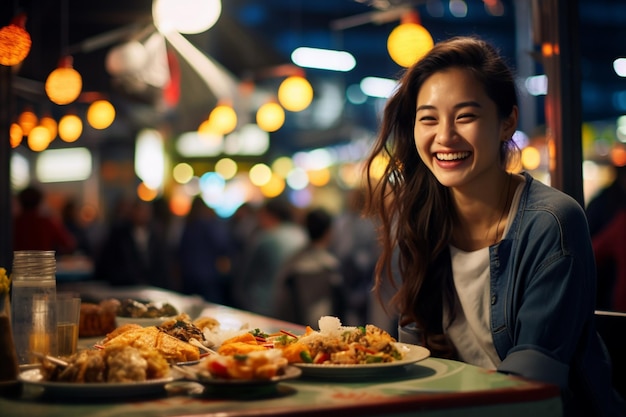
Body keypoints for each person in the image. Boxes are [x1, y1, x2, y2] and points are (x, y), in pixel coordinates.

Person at [362, 36, 624, 416]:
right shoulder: (421, 220)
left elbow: (531, 386)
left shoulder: (551, 222)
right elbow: (414, 360)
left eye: (465, 116)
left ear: (507, 122)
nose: (445, 136)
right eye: (428, 119)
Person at [231, 198, 308, 316]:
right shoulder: (302, 235)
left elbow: (245, 274)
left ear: (269, 215)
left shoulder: (266, 237)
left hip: (263, 304)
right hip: (293, 305)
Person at [273, 207, 344, 325]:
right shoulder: (330, 267)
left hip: (290, 329)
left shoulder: (292, 260)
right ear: (328, 232)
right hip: (317, 333)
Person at [177, 196, 234, 304]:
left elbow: (180, 249)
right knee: (211, 306)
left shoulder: (188, 225)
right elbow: (222, 244)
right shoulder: (208, 224)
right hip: (208, 274)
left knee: (190, 307)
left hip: (188, 273)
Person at [13, 185, 76, 255]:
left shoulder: (13, 223)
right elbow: (69, 243)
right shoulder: (46, 223)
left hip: (17, 265)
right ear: (39, 202)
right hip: (43, 264)